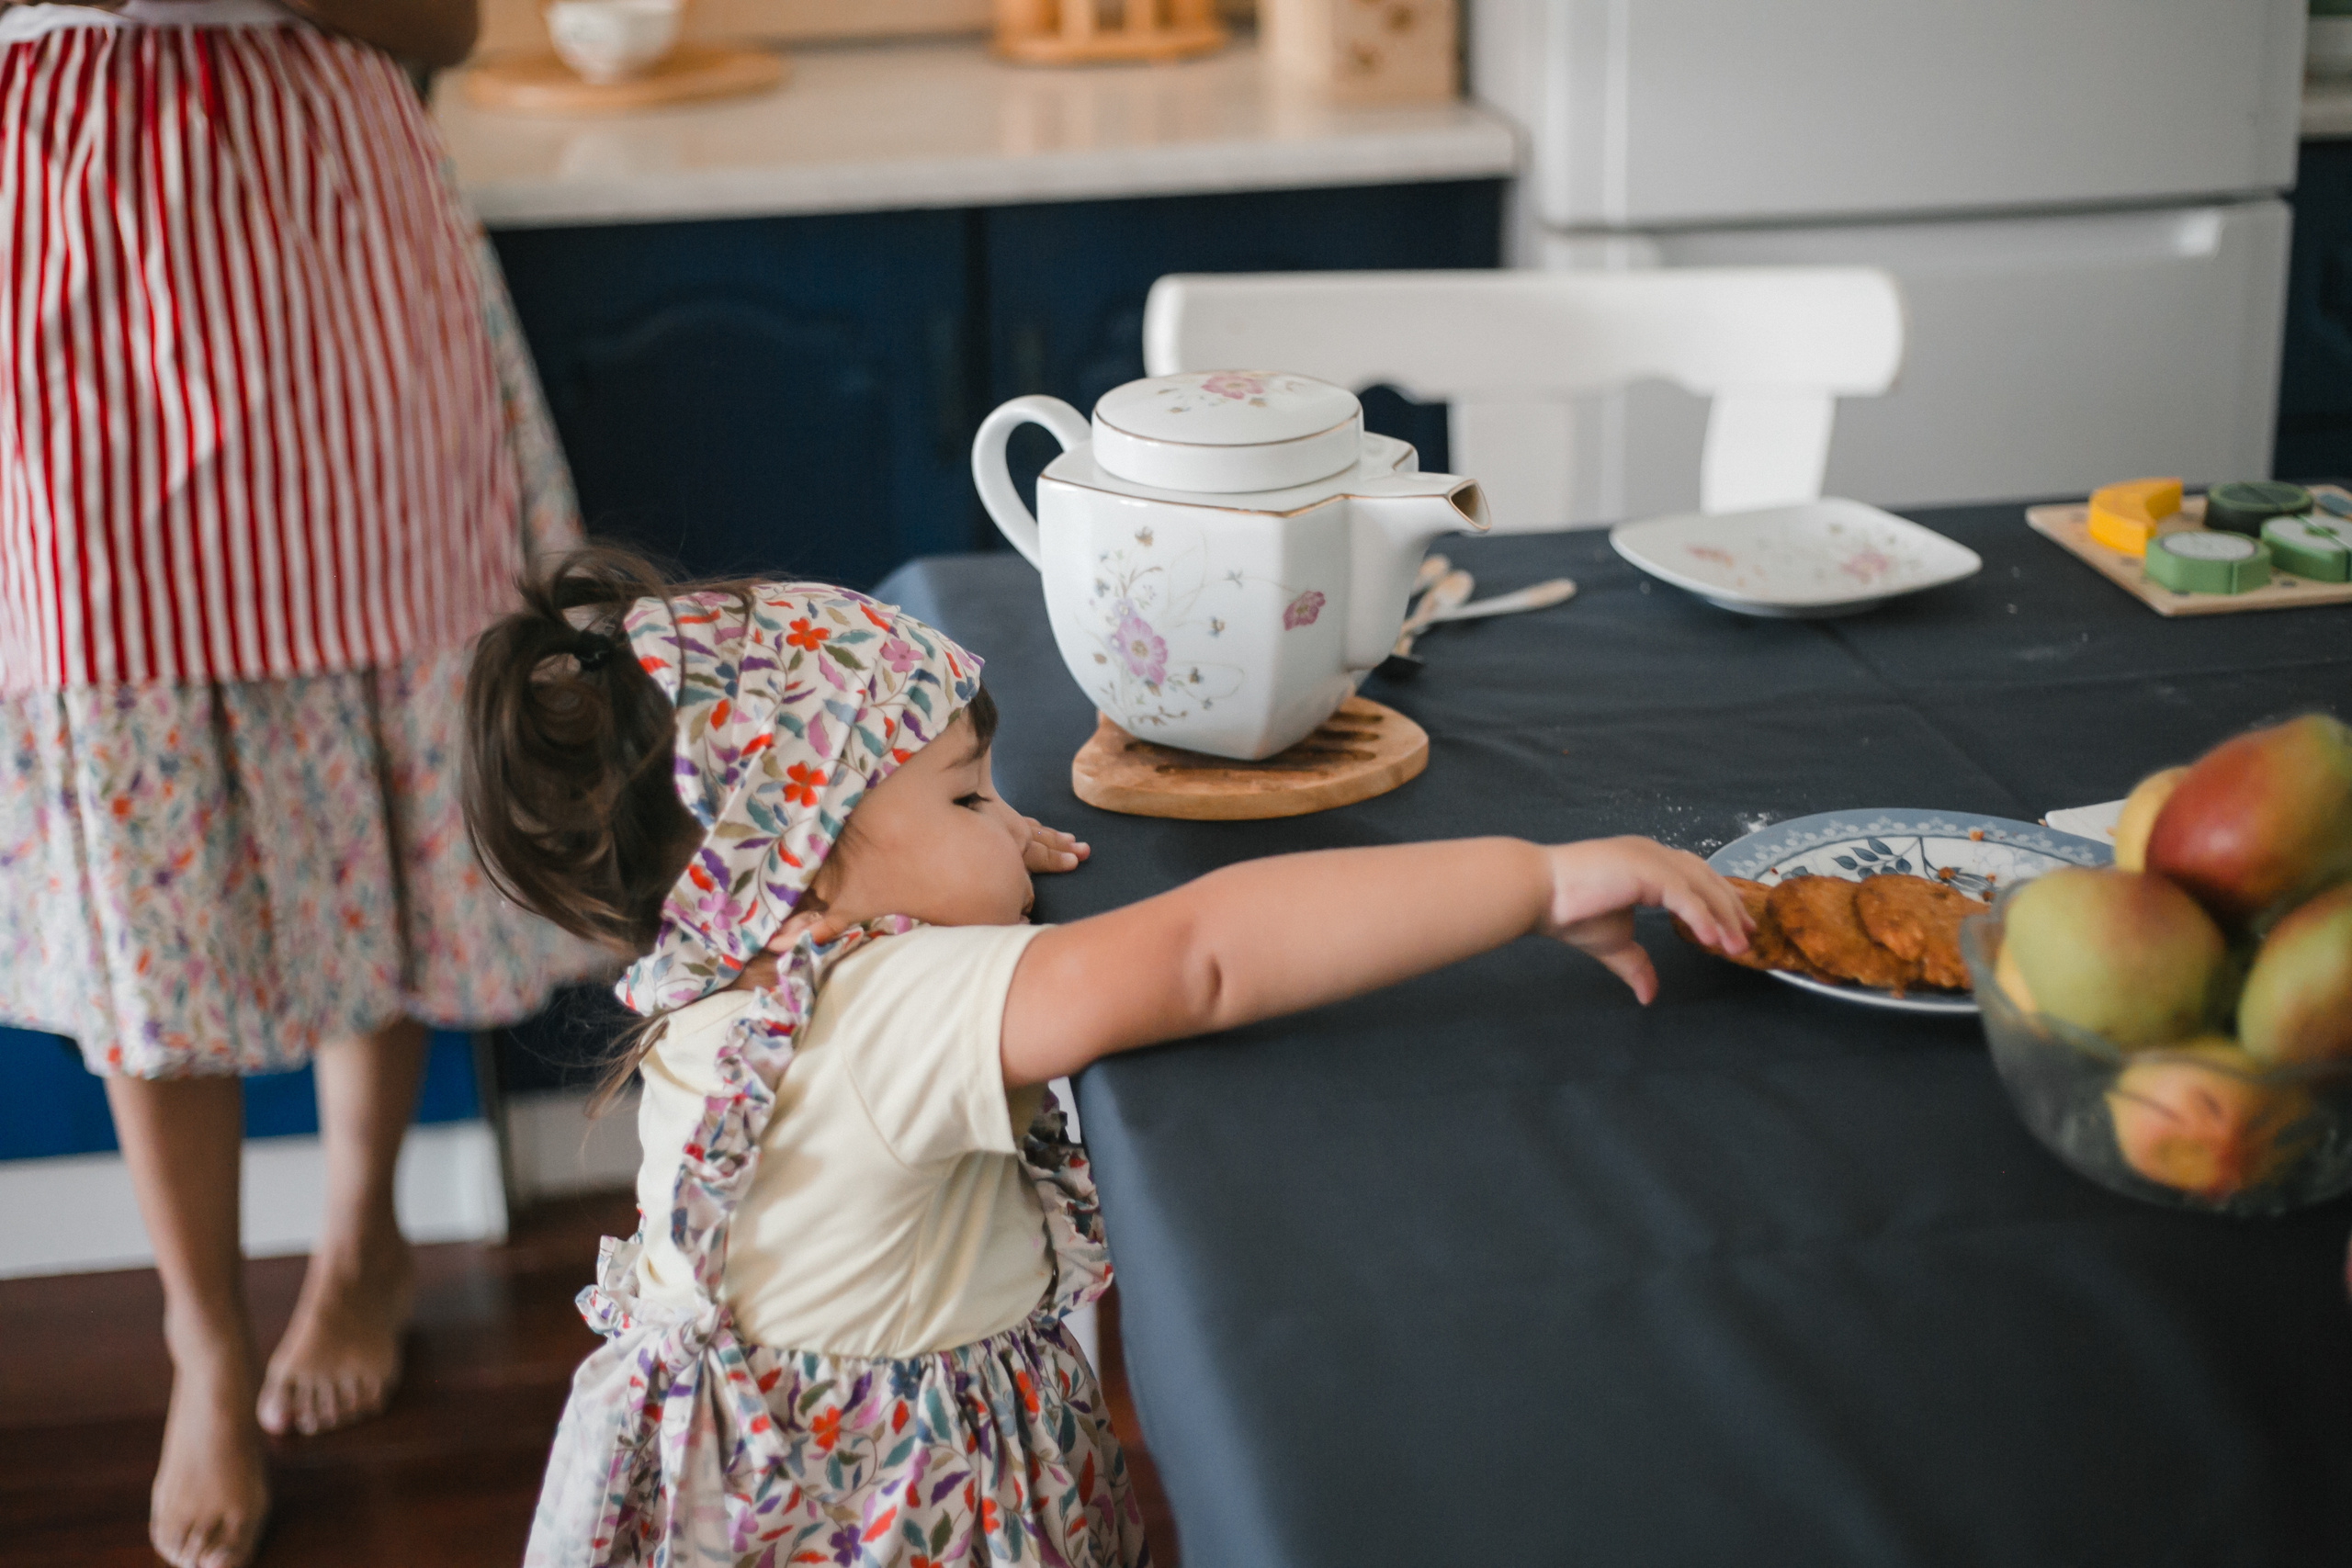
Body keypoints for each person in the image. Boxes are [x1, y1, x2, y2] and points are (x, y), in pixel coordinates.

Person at [460, 549, 1755, 1567]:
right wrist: (1533, 880)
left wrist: (961, 840)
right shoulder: (885, 1016)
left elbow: (895, 876)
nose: (1006, 817)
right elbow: (1206, 957)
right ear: (803, 886)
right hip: (906, 1512)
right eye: (971, 797)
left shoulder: (721, 965)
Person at [0, 4, 605, 1566]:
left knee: (394, 756)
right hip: (71, 263)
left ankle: (360, 1236)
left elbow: (447, 21)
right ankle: (201, 1338)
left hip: (336, 254)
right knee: (137, 830)